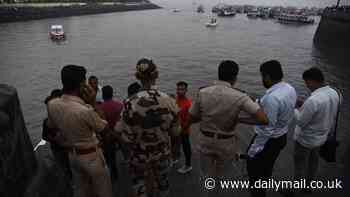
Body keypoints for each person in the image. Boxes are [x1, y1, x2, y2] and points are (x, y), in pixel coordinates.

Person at [187, 60, 268, 197]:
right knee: (221, 178)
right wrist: (239, 119)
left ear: (218, 74)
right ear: (235, 78)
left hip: (205, 140)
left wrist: (207, 117)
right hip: (226, 143)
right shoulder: (240, 96)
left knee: (206, 175)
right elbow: (263, 119)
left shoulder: (203, 92)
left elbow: (191, 118)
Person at [114, 58, 179, 197]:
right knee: (163, 184)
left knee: (139, 186)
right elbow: (175, 132)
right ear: (156, 75)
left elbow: (123, 135)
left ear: (137, 77)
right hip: (162, 153)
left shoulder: (129, 103)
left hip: (139, 155)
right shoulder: (168, 100)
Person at [47, 65, 113, 197]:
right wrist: (93, 103)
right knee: (103, 191)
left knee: (81, 191)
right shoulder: (85, 111)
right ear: (82, 84)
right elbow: (105, 130)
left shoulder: (52, 104)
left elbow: (52, 127)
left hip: (73, 156)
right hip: (92, 157)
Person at [246, 60, 296, 197]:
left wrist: (252, 151)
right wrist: (256, 102)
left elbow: (266, 129)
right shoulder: (289, 88)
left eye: (262, 76)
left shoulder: (272, 98)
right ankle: (269, 183)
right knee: (267, 167)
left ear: (267, 76)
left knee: (254, 174)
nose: (262, 79)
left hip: (269, 141)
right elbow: (279, 109)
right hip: (282, 137)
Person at [293, 67, 341, 194]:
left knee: (300, 165)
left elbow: (301, 122)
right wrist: (304, 106)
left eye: (306, 82)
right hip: (321, 138)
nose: (307, 86)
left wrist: (295, 109)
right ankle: (308, 186)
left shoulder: (314, 100)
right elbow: (329, 111)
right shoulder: (336, 93)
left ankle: (295, 189)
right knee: (314, 163)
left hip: (305, 140)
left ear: (312, 81)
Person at [42, 89, 72, 182]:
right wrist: (54, 138)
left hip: (66, 149)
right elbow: (44, 136)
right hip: (59, 149)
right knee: (65, 169)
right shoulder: (47, 122)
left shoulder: (68, 116)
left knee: (69, 169)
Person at [98, 85, 124, 181]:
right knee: (124, 151)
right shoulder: (120, 105)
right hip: (119, 133)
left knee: (110, 157)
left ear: (103, 95)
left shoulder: (100, 108)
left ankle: (113, 176)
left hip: (107, 135)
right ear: (112, 94)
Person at [175, 81, 193, 174]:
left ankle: (188, 165)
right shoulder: (175, 100)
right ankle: (175, 158)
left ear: (186, 90)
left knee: (186, 147)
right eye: (178, 89)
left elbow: (189, 120)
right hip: (175, 128)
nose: (179, 91)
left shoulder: (188, 103)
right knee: (175, 144)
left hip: (184, 130)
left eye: (182, 89)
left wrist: (183, 128)